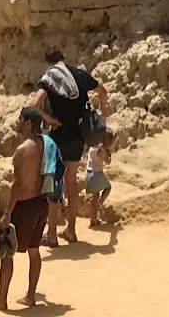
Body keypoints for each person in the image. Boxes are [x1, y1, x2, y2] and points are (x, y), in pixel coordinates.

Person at [30, 48, 109, 245]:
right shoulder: (79, 75)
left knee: (53, 183)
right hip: (77, 137)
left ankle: (53, 235)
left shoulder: (51, 78)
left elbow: (33, 105)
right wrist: (104, 113)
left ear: (50, 63)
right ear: (64, 59)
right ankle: (72, 231)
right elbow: (102, 91)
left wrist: (50, 119)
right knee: (71, 182)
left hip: (57, 138)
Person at [0, 107, 50, 310]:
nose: (16, 122)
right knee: (34, 251)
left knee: (7, 252)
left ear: (27, 123)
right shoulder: (44, 143)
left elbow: (17, 184)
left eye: (20, 119)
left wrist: (7, 212)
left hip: (24, 206)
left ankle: (1, 300)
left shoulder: (22, 150)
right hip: (40, 202)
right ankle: (31, 296)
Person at [81, 129, 114, 227]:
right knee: (107, 188)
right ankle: (99, 206)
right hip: (96, 174)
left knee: (95, 197)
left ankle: (93, 220)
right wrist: (108, 152)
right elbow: (107, 162)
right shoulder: (101, 150)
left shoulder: (93, 146)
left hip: (90, 173)